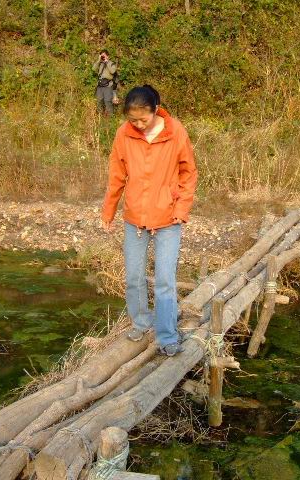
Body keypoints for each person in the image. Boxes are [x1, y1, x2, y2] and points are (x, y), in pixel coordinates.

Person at [101, 85, 198, 356]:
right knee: (134, 276)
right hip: (135, 217)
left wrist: (181, 209)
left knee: (165, 280)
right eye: (133, 120)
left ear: (156, 110)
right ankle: (141, 322)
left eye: (143, 119)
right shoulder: (124, 134)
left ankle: (167, 337)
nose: (139, 125)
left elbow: (188, 173)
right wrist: (109, 210)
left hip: (168, 217)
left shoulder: (175, 131)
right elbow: (117, 175)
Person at [92, 49, 118, 116]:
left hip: (108, 86)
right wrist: (98, 60)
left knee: (107, 101)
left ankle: (110, 117)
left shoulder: (111, 63)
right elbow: (93, 69)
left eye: (104, 55)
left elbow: (113, 71)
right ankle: (100, 117)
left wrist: (107, 62)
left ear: (108, 56)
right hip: (100, 85)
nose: (103, 57)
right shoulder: (100, 63)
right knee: (99, 101)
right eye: (102, 56)